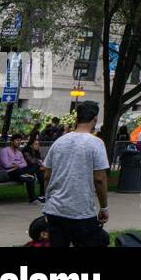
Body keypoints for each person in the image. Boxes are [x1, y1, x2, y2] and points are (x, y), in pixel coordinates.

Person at [41, 100, 110, 248]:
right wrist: (104, 207)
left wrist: (48, 200)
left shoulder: (59, 142)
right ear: (95, 119)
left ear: (77, 118)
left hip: (55, 210)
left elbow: (47, 175)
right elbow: (99, 179)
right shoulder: (96, 143)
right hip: (81, 212)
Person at [0, 133, 44, 204]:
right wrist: (18, 165)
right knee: (31, 177)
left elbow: (24, 164)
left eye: (20, 141)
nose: (19, 142)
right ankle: (35, 198)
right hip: (10, 173)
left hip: (20, 171)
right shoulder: (4, 151)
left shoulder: (19, 153)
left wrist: (17, 165)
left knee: (33, 172)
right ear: (12, 141)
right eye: (17, 140)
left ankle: (34, 198)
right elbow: (6, 165)